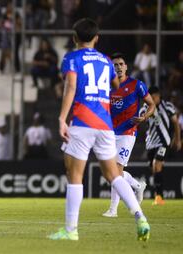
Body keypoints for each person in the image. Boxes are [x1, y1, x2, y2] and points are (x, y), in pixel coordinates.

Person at [49, 18, 150, 241]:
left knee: (75, 175)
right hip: (105, 125)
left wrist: (62, 118)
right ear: (97, 38)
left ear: (74, 38)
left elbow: (71, 86)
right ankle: (140, 217)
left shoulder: (72, 58)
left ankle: (71, 230)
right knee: (114, 174)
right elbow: (116, 85)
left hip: (83, 121)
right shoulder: (106, 61)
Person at [102, 53, 156, 218]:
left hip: (127, 133)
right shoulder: (107, 86)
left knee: (116, 172)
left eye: (121, 64)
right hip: (110, 132)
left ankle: (113, 210)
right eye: (115, 65)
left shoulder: (136, 85)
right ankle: (137, 186)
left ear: (126, 67)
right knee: (111, 171)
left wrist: (144, 117)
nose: (118, 67)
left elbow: (152, 104)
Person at [142, 86, 181, 205]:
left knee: (156, 165)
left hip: (164, 142)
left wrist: (177, 139)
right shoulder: (145, 107)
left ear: (159, 96)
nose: (153, 100)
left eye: (154, 97)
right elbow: (142, 118)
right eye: (151, 97)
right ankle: (158, 194)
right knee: (153, 169)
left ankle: (159, 197)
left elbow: (175, 124)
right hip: (150, 143)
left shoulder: (167, 106)